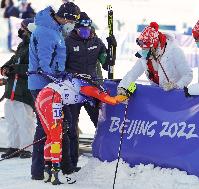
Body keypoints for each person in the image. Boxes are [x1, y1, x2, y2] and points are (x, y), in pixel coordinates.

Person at [34, 73, 127, 185]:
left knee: (50, 135)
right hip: (52, 98)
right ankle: (55, 173)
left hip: (42, 97)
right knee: (56, 136)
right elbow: (112, 100)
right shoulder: (89, 88)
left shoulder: (79, 82)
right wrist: (128, 93)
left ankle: (47, 170)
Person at [28, 2, 80, 180]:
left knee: (56, 127)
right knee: (46, 128)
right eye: (72, 22)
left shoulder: (53, 29)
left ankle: (56, 166)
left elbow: (54, 59)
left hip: (50, 84)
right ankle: (40, 170)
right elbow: (44, 64)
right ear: (66, 18)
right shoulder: (46, 32)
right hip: (43, 84)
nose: (72, 26)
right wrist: (58, 76)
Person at [64, 11, 115, 168]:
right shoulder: (67, 42)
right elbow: (61, 66)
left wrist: (112, 48)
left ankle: (105, 159)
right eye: (82, 30)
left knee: (100, 122)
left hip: (92, 89)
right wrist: (71, 75)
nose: (86, 33)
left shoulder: (96, 41)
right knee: (71, 127)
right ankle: (71, 164)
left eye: (89, 30)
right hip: (73, 89)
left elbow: (107, 63)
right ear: (76, 29)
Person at [117, 22, 193, 98]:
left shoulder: (174, 51)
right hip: (158, 97)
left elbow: (188, 75)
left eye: (146, 48)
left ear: (154, 46)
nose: (143, 50)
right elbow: (132, 74)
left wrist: (176, 86)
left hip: (175, 96)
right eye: (142, 48)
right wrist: (123, 87)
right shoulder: (145, 55)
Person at [0, 18, 35, 159]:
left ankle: (26, 147)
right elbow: (13, 61)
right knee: (11, 122)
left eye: (22, 28)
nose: (20, 31)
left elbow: (33, 67)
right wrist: (5, 67)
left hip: (23, 92)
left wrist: (14, 69)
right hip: (11, 91)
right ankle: (13, 146)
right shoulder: (22, 46)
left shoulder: (34, 46)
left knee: (25, 121)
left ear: (28, 30)